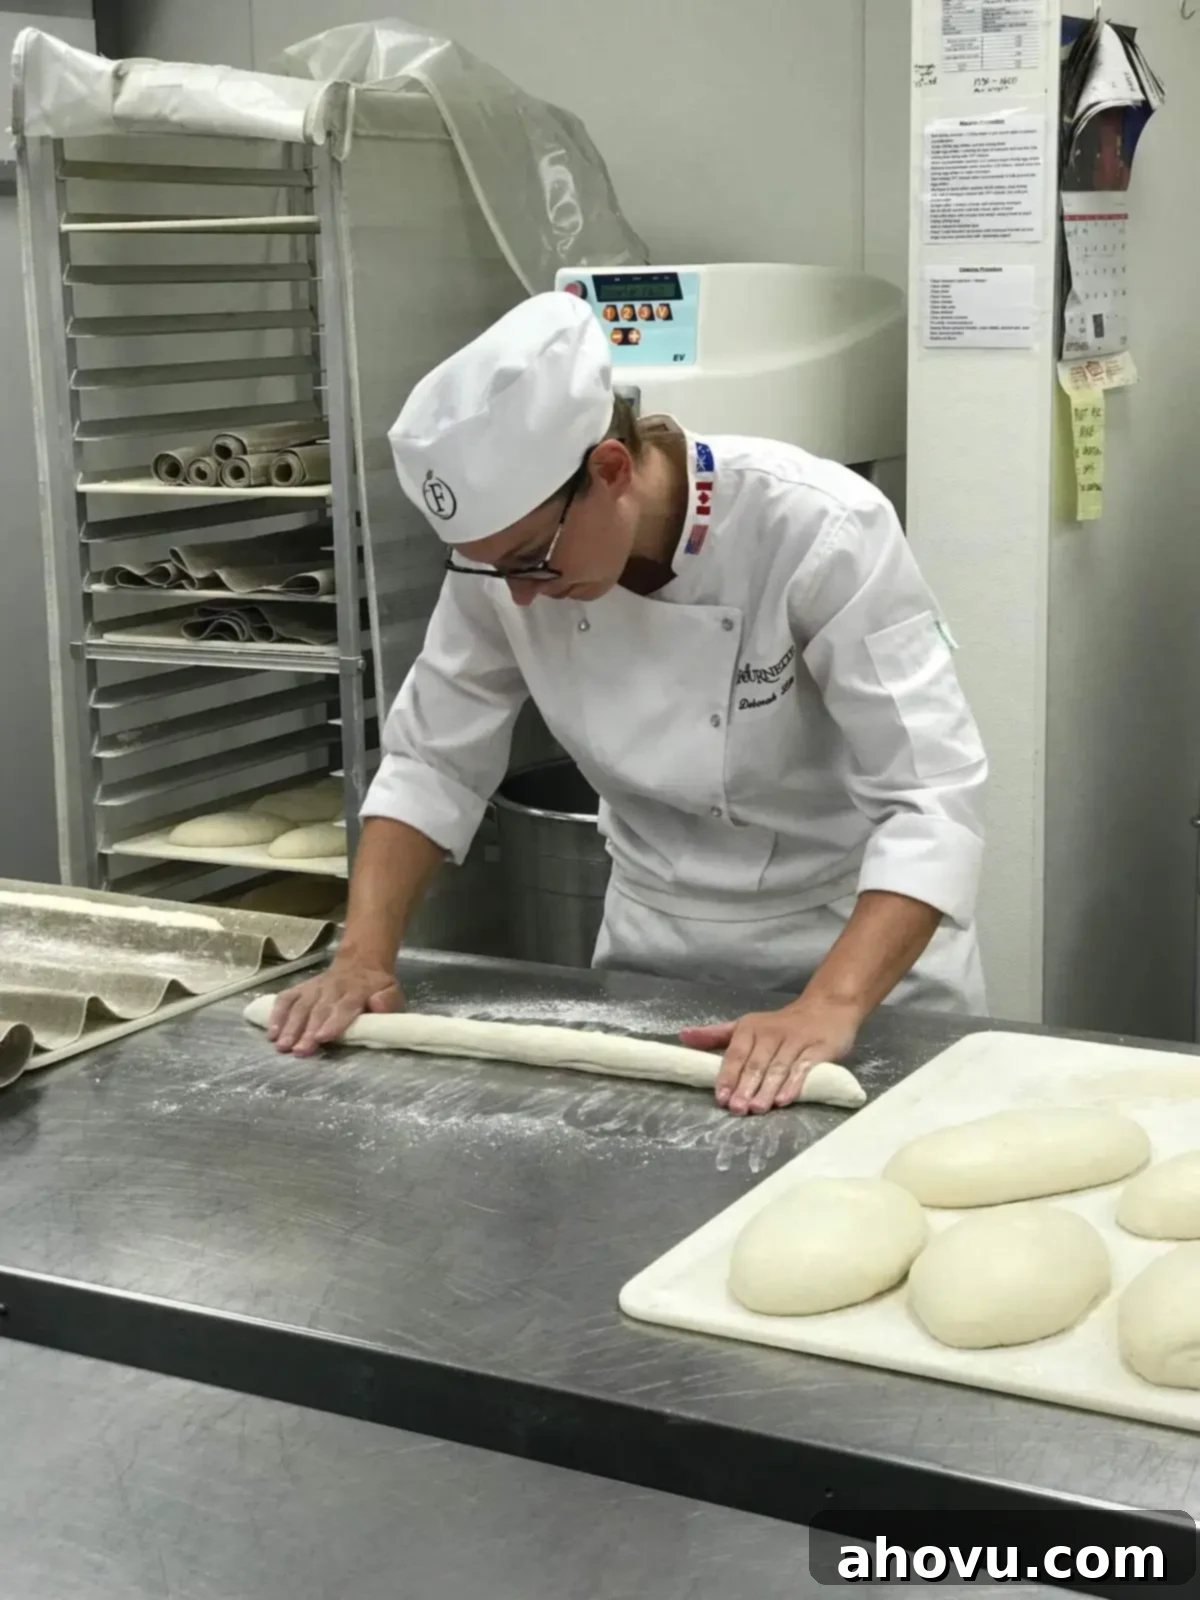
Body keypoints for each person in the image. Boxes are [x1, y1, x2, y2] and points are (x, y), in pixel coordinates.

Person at [269, 293, 988, 1116]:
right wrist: (363, 955)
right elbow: (433, 759)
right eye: (490, 569)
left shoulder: (820, 530)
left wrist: (830, 1003)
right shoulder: (504, 566)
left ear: (611, 470)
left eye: (530, 561)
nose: (521, 599)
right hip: (654, 954)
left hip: (851, 954)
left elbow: (932, 800)